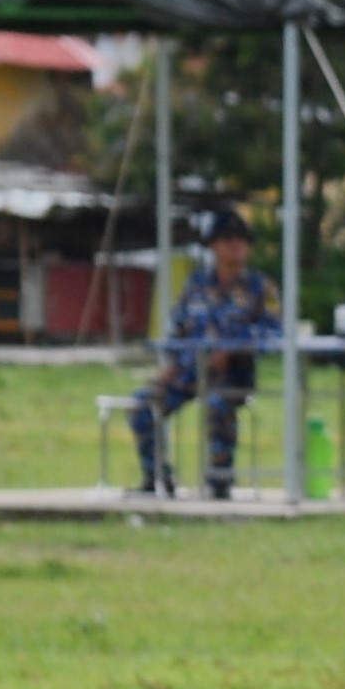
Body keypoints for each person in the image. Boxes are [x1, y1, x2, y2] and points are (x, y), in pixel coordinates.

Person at [125, 203, 277, 502]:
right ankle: (156, 479)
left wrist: (233, 349)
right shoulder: (197, 284)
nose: (236, 246)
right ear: (213, 246)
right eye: (228, 239)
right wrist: (170, 363)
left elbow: (274, 333)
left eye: (241, 240)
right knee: (142, 406)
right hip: (189, 371)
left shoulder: (260, 288)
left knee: (218, 406)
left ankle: (220, 480)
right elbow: (178, 325)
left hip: (232, 375)